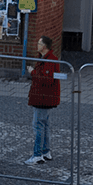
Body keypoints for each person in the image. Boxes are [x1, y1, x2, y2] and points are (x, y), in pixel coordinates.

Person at [25, 38, 60, 168]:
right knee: (44, 125)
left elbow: (47, 79)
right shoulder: (45, 58)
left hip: (43, 98)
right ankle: (45, 151)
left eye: (39, 43)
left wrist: (32, 72)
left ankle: (38, 155)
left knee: (38, 126)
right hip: (43, 97)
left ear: (44, 46)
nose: (37, 45)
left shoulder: (49, 60)